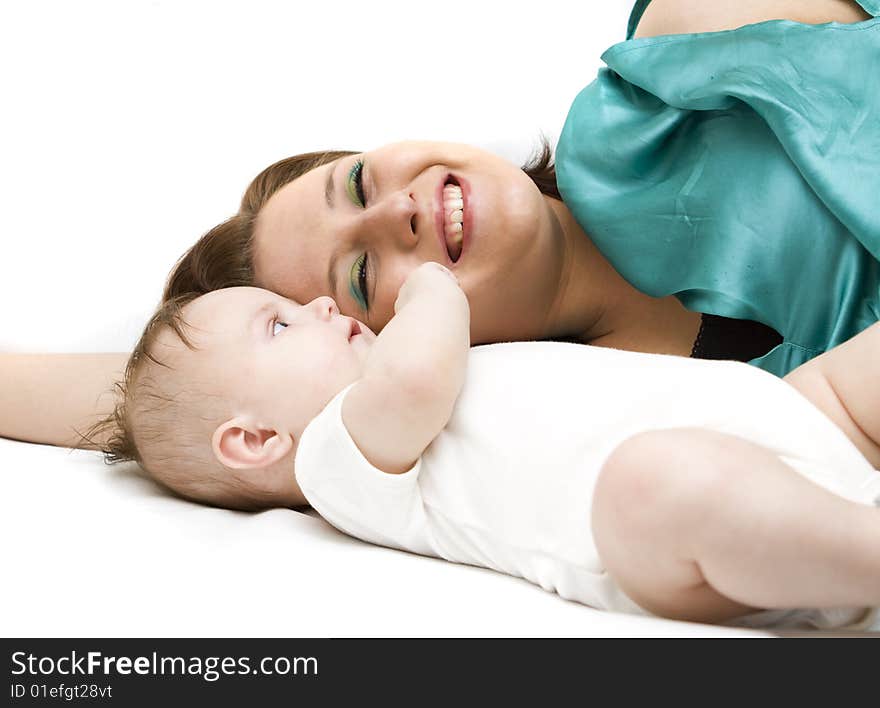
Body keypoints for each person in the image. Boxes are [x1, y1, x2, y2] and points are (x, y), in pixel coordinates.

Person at [2, 0, 878, 451]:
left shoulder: (657, 76)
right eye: (359, 274)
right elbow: (173, 394)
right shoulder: (578, 414)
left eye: (355, 182)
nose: (397, 209)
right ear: (365, 345)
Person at [95, 262, 880, 630]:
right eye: (279, 324)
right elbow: (411, 384)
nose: (319, 302)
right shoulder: (334, 459)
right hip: (664, 543)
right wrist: (430, 288)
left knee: (851, 375)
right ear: (256, 439)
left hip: (784, 413)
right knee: (657, 481)